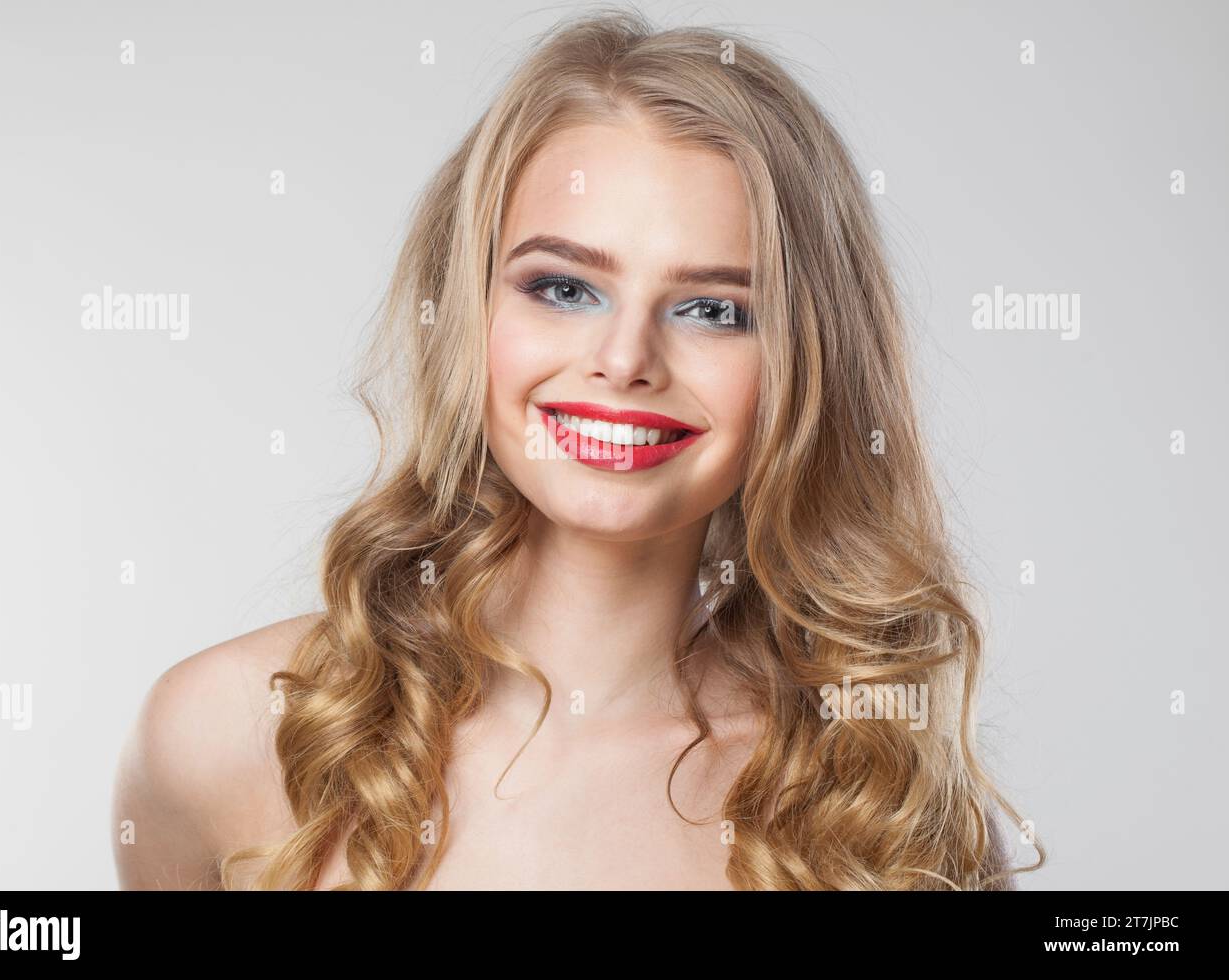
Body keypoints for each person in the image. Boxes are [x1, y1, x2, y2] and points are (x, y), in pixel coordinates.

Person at [112, 8, 1043, 890]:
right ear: (468, 310)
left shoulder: (884, 805)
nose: (626, 359)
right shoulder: (224, 731)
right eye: (564, 289)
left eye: (714, 310)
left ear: (807, 362)